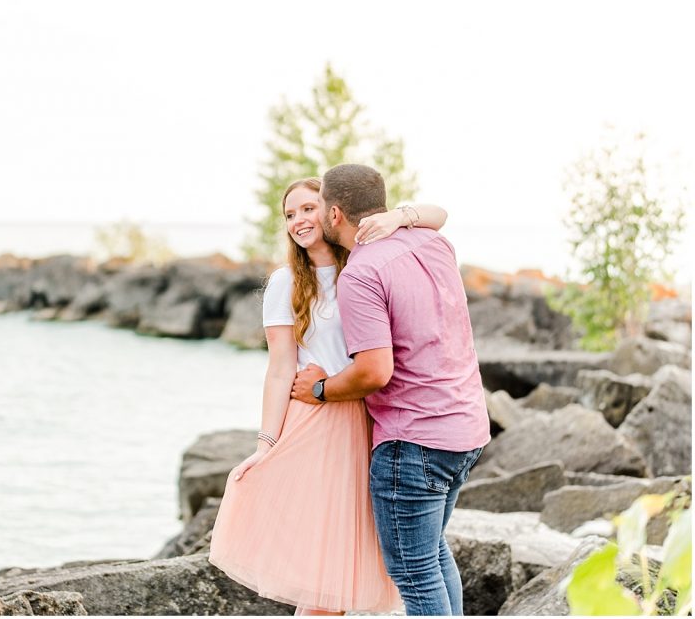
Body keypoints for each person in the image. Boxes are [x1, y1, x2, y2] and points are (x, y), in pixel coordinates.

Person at [207, 177, 449, 616]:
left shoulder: (365, 261)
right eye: (289, 215)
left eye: (306, 208)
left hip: (366, 422)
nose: (298, 220)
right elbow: (281, 367)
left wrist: (397, 216)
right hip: (316, 425)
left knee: (341, 574)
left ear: (331, 211)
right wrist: (266, 444)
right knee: (322, 580)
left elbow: (438, 217)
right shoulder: (285, 284)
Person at [290, 164, 491, 616]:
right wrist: (404, 216)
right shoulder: (434, 243)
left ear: (335, 213)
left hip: (414, 443)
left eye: (318, 205)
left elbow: (375, 372)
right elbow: (436, 215)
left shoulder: (360, 274)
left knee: (415, 575)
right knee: (433, 556)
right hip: (467, 430)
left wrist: (320, 389)